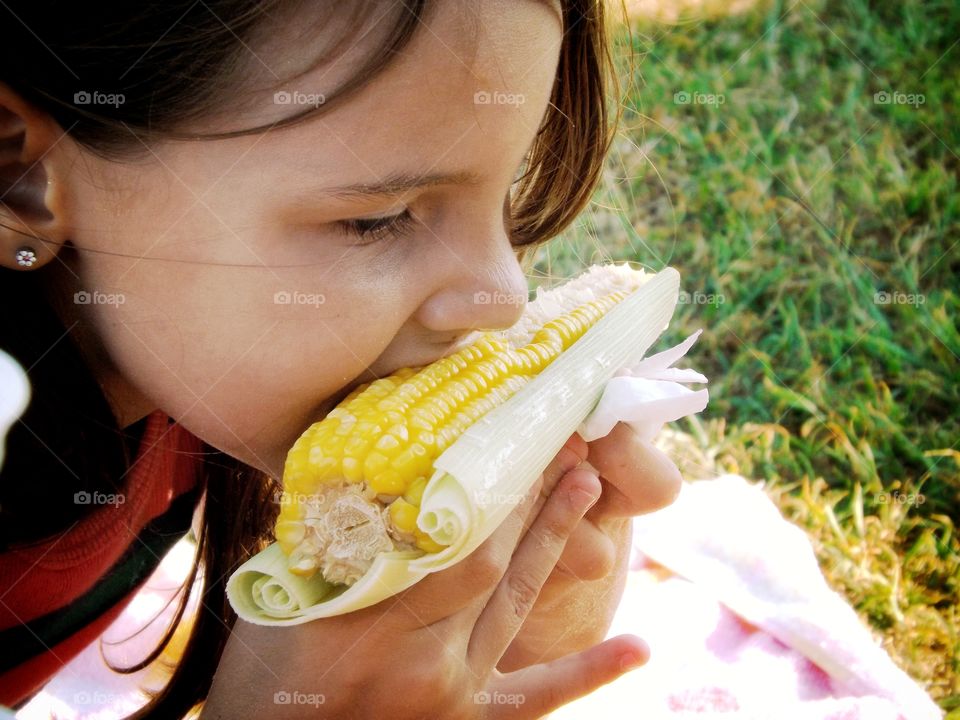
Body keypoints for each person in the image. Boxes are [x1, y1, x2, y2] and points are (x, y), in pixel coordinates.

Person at [0, 1, 683, 716]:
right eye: (377, 219)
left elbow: (451, 684)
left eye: (507, 182)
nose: (504, 296)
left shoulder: (186, 380)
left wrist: (530, 602)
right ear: (20, 176)